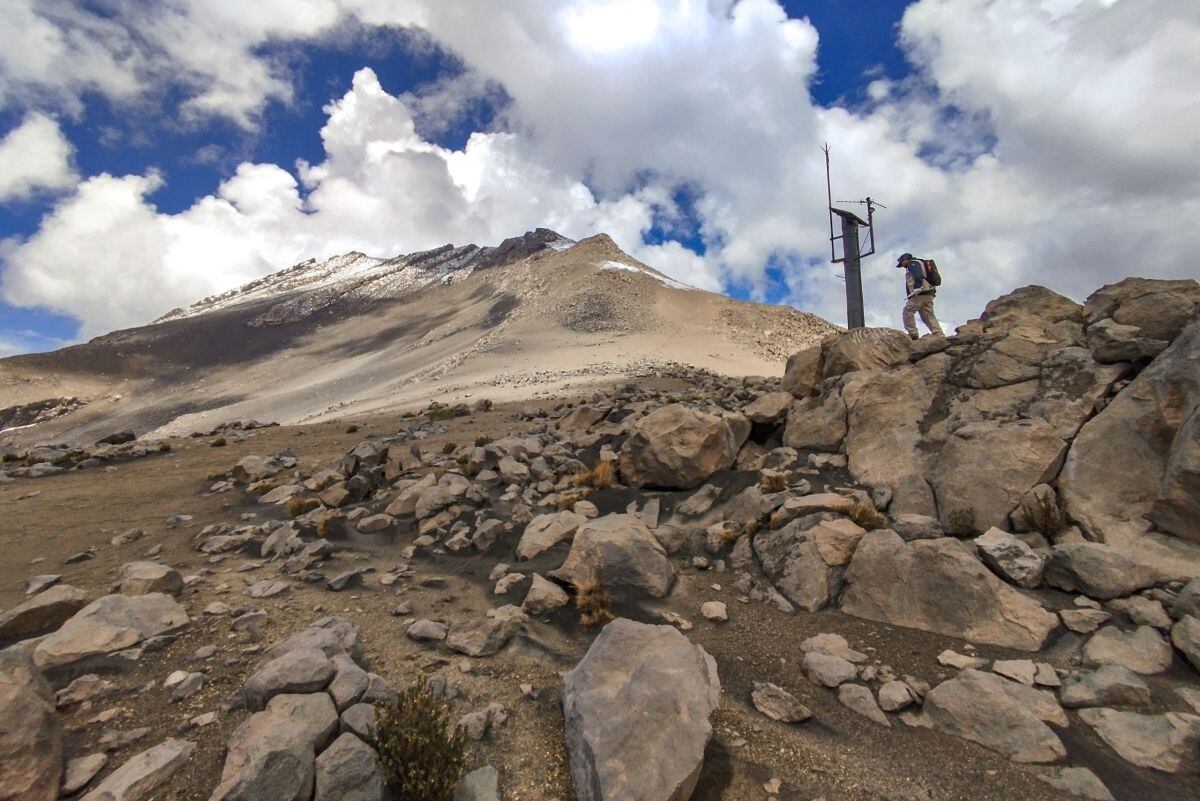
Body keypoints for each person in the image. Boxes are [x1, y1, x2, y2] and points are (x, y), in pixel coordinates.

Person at [896, 252, 943, 339]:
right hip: (929, 293)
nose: (902, 266)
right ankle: (939, 334)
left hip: (920, 293)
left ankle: (912, 333)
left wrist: (917, 287)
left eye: (902, 263)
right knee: (928, 315)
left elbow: (918, 275)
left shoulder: (912, 263)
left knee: (908, 311)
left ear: (905, 259)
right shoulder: (920, 263)